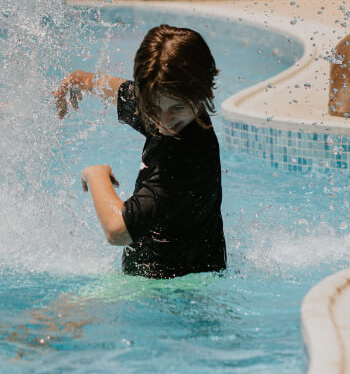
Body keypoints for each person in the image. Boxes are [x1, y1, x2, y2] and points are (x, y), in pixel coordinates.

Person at [54, 25, 226, 279]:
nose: (164, 120)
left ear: (203, 91)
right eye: (153, 106)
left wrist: (97, 174)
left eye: (176, 108)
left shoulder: (182, 163)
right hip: (169, 275)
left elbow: (116, 231)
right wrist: (78, 79)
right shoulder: (169, 105)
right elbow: (120, 89)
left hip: (176, 286)